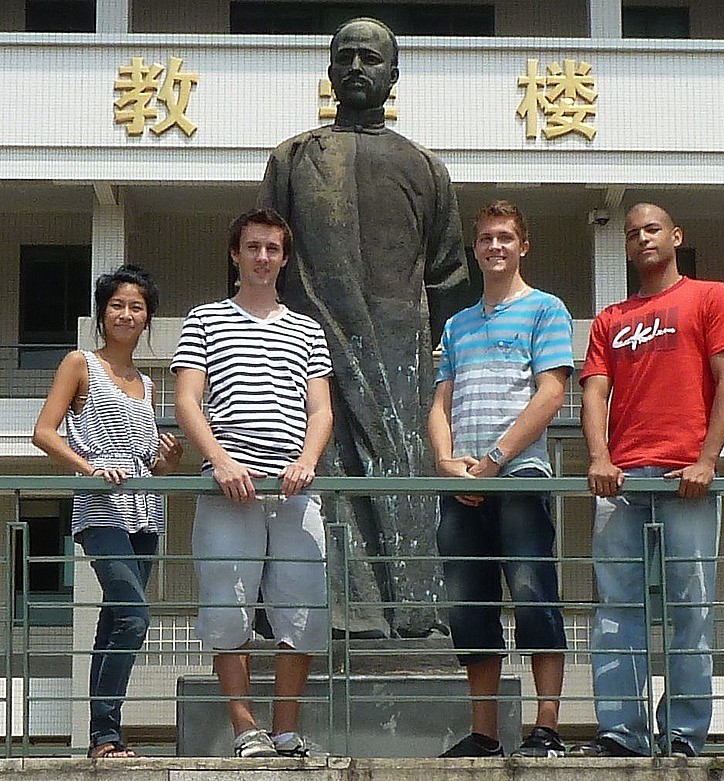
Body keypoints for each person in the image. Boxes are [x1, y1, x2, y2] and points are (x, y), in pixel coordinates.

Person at [259, 17, 468, 639]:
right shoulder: (293, 158)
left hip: (399, 356)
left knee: (402, 477)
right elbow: (265, 253)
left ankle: (411, 614)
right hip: (308, 349)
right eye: (344, 56)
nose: (355, 66)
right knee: (323, 481)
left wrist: (403, 330)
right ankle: (331, 619)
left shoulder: (424, 166)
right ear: (328, 72)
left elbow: (450, 271)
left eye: (369, 59)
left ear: (392, 76)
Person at [571, 203, 724, 758]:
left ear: (676, 235)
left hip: (684, 479)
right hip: (621, 482)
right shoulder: (611, 318)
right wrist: (599, 457)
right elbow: (594, 391)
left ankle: (682, 736)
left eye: (652, 229)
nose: (642, 238)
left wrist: (708, 459)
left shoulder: (709, 297)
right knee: (616, 613)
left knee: (691, 610)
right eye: (632, 234)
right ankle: (622, 735)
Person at [171, 208, 334, 758]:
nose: (262, 258)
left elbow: (321, 411)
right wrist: (219, 460)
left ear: (284, 258)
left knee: (305, 607)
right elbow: (187, 401)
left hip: (293, 491)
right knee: (226, 608)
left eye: (272, 249)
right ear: (235, 254)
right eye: (252, 247)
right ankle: (246, 730)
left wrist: (308, 461)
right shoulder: (203, 320)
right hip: (226, 490)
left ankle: (286, 729)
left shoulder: (307, 327)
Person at [428, 200, 573, 758]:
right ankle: (484, 733)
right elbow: (441, 400)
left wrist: (493, 460)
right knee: (470, 606)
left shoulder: (546, 309)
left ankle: (547, 728)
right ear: (476, 246)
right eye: (486, 237)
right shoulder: (458, 323)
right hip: (461, 484)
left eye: (506, 237)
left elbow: (552, 393)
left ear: (523, 244)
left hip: (518, 475)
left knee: (535, 595)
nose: (495, 247)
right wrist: (446, 462)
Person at [32, 265, 183, 758]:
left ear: (147, 319)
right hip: (100, 511)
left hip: (145, 511)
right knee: (135, 617)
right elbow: (45, 432)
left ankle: (103, 737)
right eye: (117, 304)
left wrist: (166, 461)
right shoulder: (80, 364)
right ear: (102, 313)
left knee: (114, 619)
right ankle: (106, 732)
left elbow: (146, 460)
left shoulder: (146, 382)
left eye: (136, 306)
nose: (125, 314)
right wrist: (89, 466)